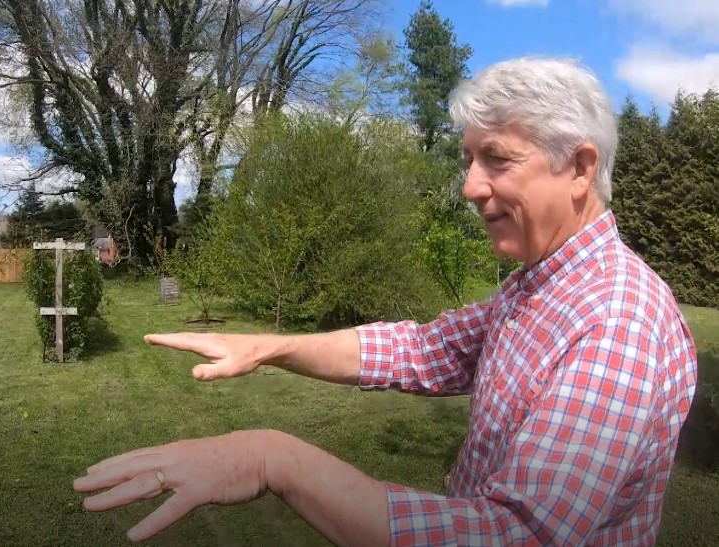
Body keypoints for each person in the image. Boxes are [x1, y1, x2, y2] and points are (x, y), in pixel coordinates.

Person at [73, 57, 699, 546]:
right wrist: (270, 345)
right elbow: (421, 351)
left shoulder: (616, 321)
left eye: (497, 160)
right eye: (469, 159)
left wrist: (273, 458)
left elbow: (516, 537)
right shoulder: (540, 286)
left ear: (581, 169)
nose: (470, 185)